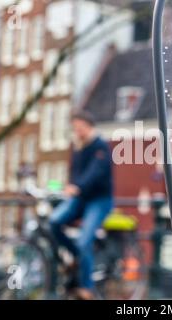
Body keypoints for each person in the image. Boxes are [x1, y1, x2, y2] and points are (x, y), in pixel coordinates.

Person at [49, 110, 113, 300]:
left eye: (80, 128)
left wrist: (78, 187)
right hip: (80, 198)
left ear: (89, 126)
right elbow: (75, 174)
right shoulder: (78, 148)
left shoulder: (100, 146)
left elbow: (96, 173)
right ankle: (77, 256)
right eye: (75, 128)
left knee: (85, 240)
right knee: (53, 222)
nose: (77, 131)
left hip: (99, 200)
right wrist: (68, 188)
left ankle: (87, 288)